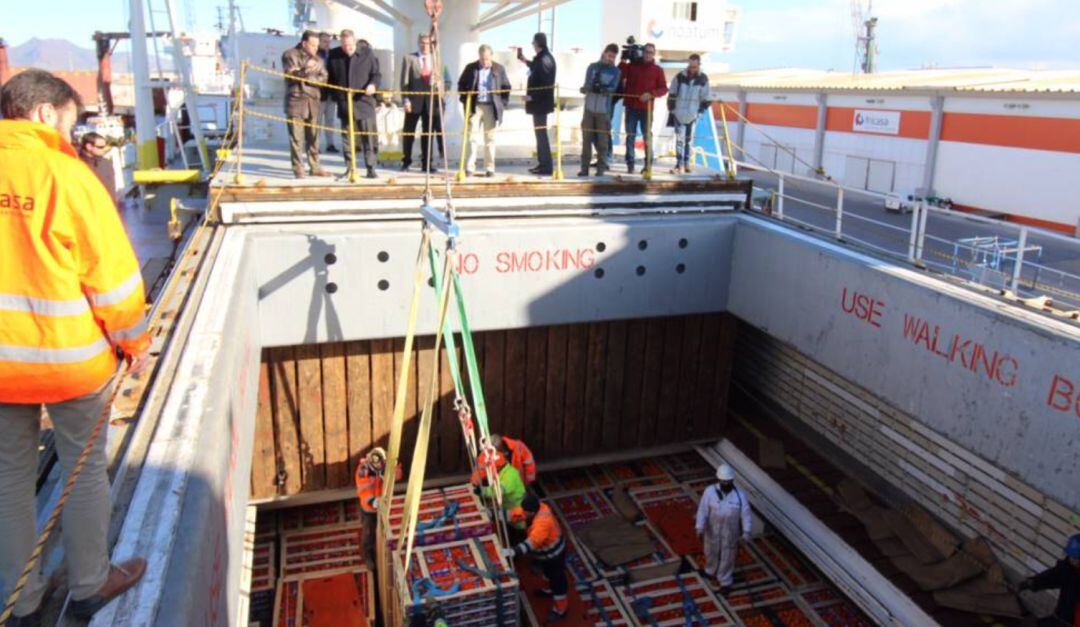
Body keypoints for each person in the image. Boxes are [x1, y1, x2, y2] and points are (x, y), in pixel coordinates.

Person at [0, 69, 151, 625]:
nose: (70, 133)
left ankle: (21, 597)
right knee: (82, 470)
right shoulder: (65, 176)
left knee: (8, 477)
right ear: (43, 113)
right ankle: (90, 582)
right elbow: (110, 278)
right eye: (67, 120)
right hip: (67, 362)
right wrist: (133, 342)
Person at [502, 494, 569, 623]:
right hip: (547, 555)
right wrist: (495, 514)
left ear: (532, 512)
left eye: (526, 512)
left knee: (558, 581)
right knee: (550, 575)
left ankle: (560, 610)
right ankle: (552, 589)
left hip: (554, 556)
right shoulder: (538, 508)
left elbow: (532, 543)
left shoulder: (543, 523)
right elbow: (517, 513)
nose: (524, 513)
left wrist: (513, 551)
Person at [328, 29, 381, 180]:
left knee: (368, 138)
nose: (347, 48)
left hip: (364, 102)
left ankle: (370, 168)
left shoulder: (367, 53)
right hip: (345, 103)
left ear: (355, 42)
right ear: (340, 43)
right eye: (344, 45)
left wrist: (372, 85)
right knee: (347, 138)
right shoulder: (334, 55)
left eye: (350, 45)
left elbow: (376, 74)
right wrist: (336, 96)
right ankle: (350, 168)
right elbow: (330, 79)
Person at [695, 464, 752, 594]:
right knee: (710, 551)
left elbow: (746, 514)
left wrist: (746, 533)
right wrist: (699, 527)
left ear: (732, 481)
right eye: (723, 481)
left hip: (730, 532)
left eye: (728, 481)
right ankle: (709, 571)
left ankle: (725, 581)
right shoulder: (709, 492)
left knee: (728, 557)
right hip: (712, 530)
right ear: (719, 480)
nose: (725, 483)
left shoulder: (740, 497)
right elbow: (703, 510)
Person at [457, 45, 511, 177]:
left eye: (487, 59)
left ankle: (490, 168)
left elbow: (506, 87)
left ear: (491, 56)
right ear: (479, 56)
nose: (484, 62)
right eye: (482, 59)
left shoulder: (499, 69)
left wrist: (502, 104)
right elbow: (460, 85)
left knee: (490, 139)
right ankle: (469, 168)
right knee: (471, 138)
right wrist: (466, 97)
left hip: (491, 107)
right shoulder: (471, 68)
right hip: (475, 107)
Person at [282, 30, 330, 179]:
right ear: (304, 43)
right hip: (296, 100)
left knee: (314, 137)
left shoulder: (319, 60)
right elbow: (291, 75)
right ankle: (298, 168)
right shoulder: (290, 54)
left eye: (317, 45)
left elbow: (324, 79)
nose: (316, 48)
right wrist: (305, 71)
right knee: (297, 138)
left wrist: (308, 77)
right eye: (313, 45)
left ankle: (315, 166)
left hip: (313, 101)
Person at [618, 42, 667, 175]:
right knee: (630, 136)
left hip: (647, 108)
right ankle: (630, 164)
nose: (648, 54)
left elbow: (663, 89)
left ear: (654, 54)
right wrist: (623, 59)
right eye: (646, 51)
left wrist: (651, 94)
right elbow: (619, 74)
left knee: (647, 137)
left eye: (651, 52)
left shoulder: (658, 70)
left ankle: (648, 165)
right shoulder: (632, 66)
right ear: (643, 52)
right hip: (631, 106)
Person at [400, 33, 443, 173]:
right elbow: (404, 82)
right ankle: (406, 161)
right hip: (413, 102)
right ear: (418, 43)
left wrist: (438, 83)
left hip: (430, 103)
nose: (425, 46)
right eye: (423, 43)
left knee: (428, 134)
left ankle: (427, 164)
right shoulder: (409, 58)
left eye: (428, 43)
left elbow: (443, 81)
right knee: (409, 133)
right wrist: (406, 99)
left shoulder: (436, 59)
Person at [578, 44, 621, 177]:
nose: (611, 59)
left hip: (604, 110)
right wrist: (587, 88)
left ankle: (601, 169)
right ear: (604, 53)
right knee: (586, 140)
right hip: (589, 108)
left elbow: (613, 89)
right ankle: (584, 169)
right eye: (609, 55)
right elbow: (587, 83)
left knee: (603, 142)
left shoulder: (616, 71)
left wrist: (603, 89)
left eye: (613, 57)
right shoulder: (592, 67)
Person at [517, 33, 556, 176]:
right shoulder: (543, 58)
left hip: (540, 104)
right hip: (540, 103)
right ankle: (542, 164)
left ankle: (546, 166)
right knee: (539, 134)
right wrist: (524, 60)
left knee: (541, 135)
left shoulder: (544, 59)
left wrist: (531, 96)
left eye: (533, 43)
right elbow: (536, 68)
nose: (533, 46)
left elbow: (545, 84)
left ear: (538, 43)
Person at [1019, 534, 1080, 626]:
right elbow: (1051, 576)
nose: (1073, 560)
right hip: (1060, 618)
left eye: (1076, 558)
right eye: (1071, 556)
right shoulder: (1067, 569)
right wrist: (1031, 583)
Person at [354, 447, 401, 565]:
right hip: (369, 509)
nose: (379, 466)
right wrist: (373, 501)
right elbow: (363, 492)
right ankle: (367, 554)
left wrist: (394, 470)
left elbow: (398, 476)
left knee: (385, 529)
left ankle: (384, 551)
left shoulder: (385, 466)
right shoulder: (363, 472)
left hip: (383, 505)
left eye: (381, 464)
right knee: (368, 532)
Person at [667, 54, 711, 174]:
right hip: (679, 113)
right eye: (690, 66)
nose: (692, 69)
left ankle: (686, 163)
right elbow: (672, 93)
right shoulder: (679, 77)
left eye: (694, 67)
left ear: (698, 65)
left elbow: (706, 98)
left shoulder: (703, 79)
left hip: (692, 114)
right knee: (680, 139)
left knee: (689, 140)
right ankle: (679, 164)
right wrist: (672, 110)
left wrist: (699, 112)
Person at [478, 451, 526, 534]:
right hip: (509, 511)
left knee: (516, 537)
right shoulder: (503, 473)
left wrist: (482, 491)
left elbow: (498, 491)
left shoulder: (510, 476)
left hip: (517, 517)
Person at [470, 433, 537, 487]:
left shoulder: (518, 446)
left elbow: (529, 463)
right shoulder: (486, 455)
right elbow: (479, 471)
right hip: (500, 486)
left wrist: (528, 482)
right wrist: (475, 484)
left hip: (519, 482)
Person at [78, 131, 118, 205]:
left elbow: (112, 190)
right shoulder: (76, 165)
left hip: (107, 209)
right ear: (89, 147)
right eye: (100, 147)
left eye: (104, 146)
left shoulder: (107, 164)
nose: (104, 149)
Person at [316, 32, 339, 154]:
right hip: (319, 93)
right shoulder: (315, 55)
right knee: (317, 120)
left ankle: (330, 143)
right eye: (324, 41)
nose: (327, 44)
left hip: (331, 93)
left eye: (329, 41)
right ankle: (316, 144)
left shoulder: (333, 54)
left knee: (330, 120)